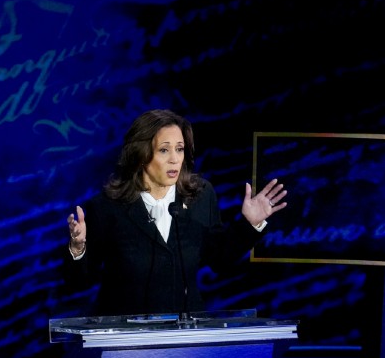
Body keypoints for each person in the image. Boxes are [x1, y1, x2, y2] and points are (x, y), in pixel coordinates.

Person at [64, 109, 289, 316]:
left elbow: (219, 259)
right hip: (126, 341)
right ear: (141, 155)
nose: (175, 159)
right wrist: (78, 247)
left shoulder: (200, 196)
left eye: (179, 149)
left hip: (185, 335)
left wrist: (249, 225)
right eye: (164, 150)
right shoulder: (107, 206)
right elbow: (80, 281)